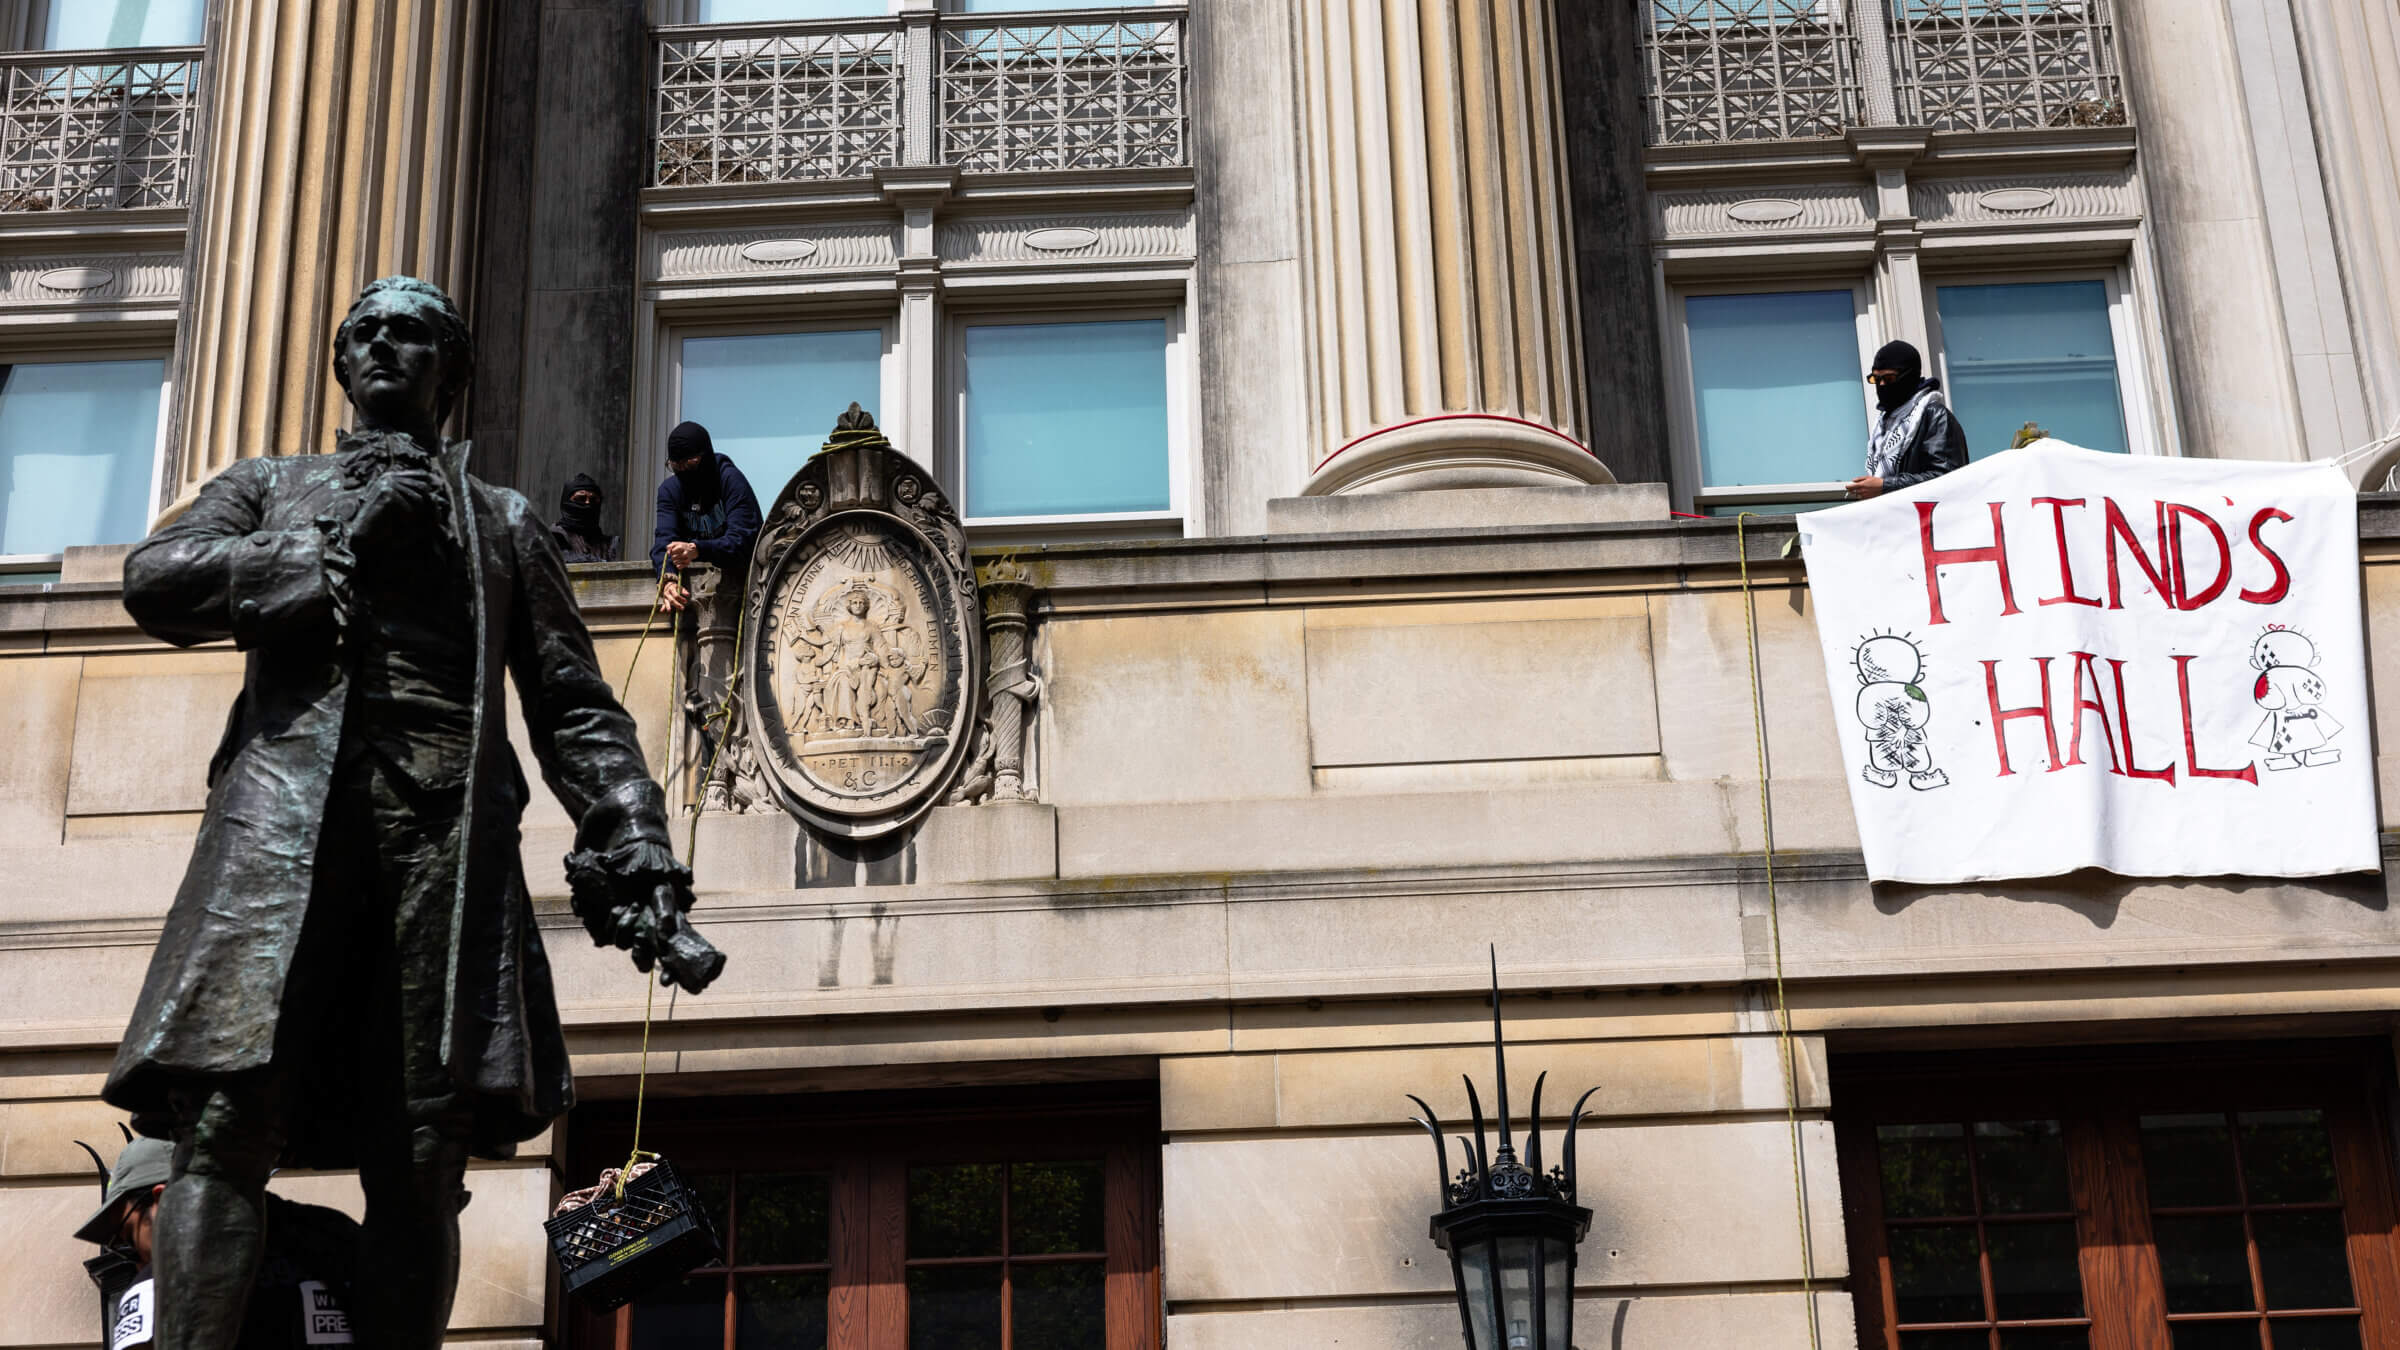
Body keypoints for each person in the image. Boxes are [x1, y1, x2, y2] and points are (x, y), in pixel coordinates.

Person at [108, 276, 721, 1350]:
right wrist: (330, 543)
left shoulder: (505, 523)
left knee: (424, 1156)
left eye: (416, 333)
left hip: (445, 841)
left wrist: (633, 834)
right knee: (224, 1124)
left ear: (452, 370)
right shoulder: (271, 486)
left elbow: (575, 706)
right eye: (369, 333)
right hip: (282, 835)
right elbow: (157, 578)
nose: (389, 346)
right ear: (344, 364)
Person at [76, 1136, 360, 1350]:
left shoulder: (163, 1284)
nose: (135, 1259)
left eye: (126, 1238)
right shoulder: (338, 1238)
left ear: (165, 1201)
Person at [650, 421, 761, 611]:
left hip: (746, 592)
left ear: (706, 455)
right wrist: (667, 578)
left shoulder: (730, 480)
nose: (684, 471)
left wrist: (697, 549)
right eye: (676, 466)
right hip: (693, 597)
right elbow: (664, 540)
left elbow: (745, 539)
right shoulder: (669, 491)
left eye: (690, 464)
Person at [1847, 339, 1968, 500]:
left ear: (1909, 377)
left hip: (1927, 521)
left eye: (1889, 379)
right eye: (1876, 379)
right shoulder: (1885, 423)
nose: (1881, 385)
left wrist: (1885, 486)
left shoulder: (1934, 416)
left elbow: (1948, 478)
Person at [551, 473, 618, 563]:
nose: (587, 503)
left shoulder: (607, 545)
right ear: (566, 501)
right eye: (581, 499)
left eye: (593, 500)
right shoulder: (552, 539)